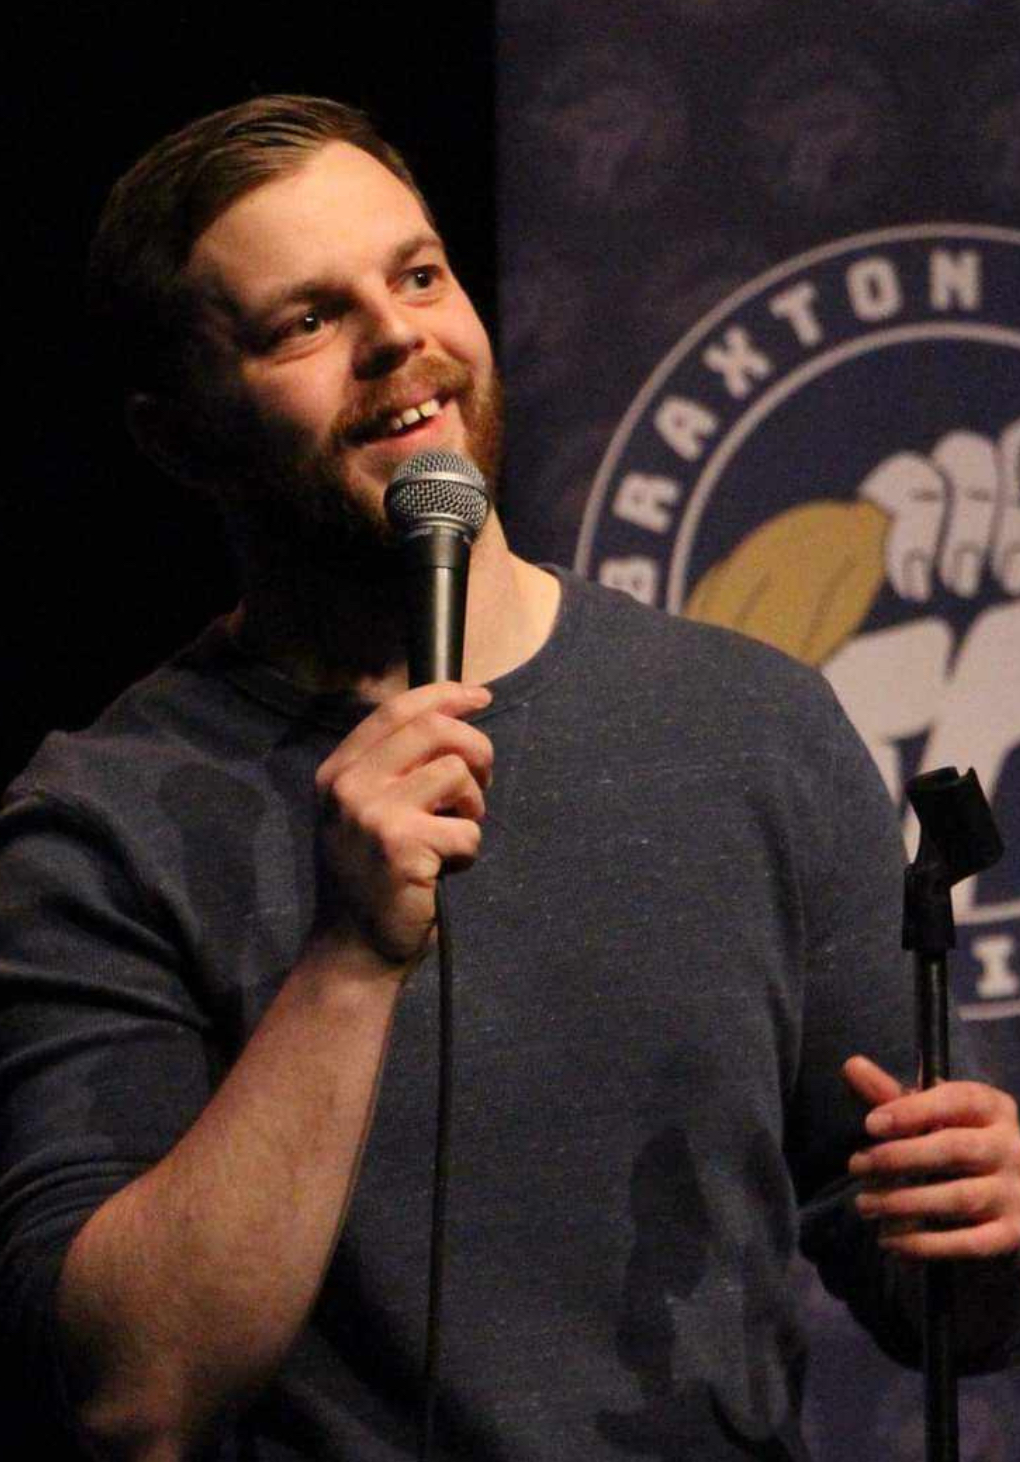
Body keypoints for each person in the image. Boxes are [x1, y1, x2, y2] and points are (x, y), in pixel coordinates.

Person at [1, 94, 1019, 1462]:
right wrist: (351, 957)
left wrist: (997, 1225)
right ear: (179, 435)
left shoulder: (753, 722)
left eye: (418, 275)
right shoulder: (104, 818)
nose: (398, 338)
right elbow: (137, 1391)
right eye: (306, 321)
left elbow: (937, 1297)